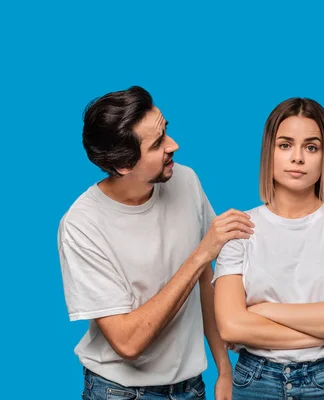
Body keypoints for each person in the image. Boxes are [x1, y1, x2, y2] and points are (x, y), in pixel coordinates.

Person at [58, 85, 253, 400]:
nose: (173, 145)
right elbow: (129, 343)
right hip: (120, 392)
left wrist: (224, 370)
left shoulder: (186, 181)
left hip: (191, 388)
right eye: (157, 143)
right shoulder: (82, 225)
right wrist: (201, 253)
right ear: (124, 165)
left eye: (166, 132)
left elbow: (204, 282)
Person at [212, 97, 324, 399]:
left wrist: (264, 310)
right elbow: (231, 326)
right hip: (255, 381)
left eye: (311, 147)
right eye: (285, 145)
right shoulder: (240, 228)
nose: (298, 158)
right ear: (269, 152)